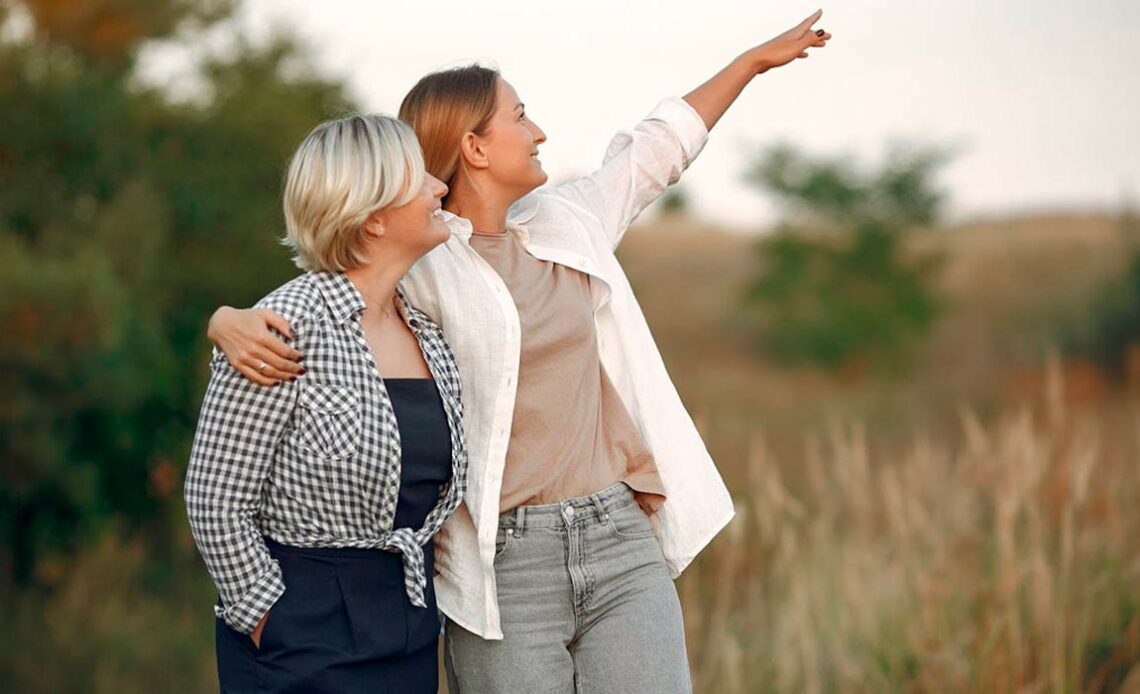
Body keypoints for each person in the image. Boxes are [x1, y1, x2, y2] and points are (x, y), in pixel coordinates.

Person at [208, 11, 831, 692]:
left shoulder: (569, 223)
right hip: (503, 563)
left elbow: (655, 151)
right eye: (520, 116)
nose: (538, 133)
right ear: (474, 147)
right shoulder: (427, 260)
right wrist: (228, 320)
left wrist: (748, 64)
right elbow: (344, 270)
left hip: (616, 534)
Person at [184, 113, 467, 693]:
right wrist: (265, 617)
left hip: (409, 626)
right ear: (371, 218)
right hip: (302, 634)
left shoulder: (429, 332)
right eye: (420, 179)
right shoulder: (284, 327)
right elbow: (214, 497)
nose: (440, 186)